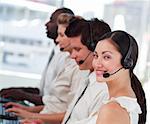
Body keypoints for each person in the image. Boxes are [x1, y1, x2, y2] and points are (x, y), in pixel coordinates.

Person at [15, 17, 111, 124]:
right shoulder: (87, 79)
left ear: (95, 49)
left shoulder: (104, 91)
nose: (73, 56)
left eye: (78, 49)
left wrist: (31, 115)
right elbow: (70, 117)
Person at [4, 13, 89, 123]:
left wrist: (30, 114)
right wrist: (28, 111)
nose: (58, 40)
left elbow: (69, 113)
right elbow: (54, 104)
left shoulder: (80, 69)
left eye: (62, 35)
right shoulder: (65, 59)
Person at [0, 7, 74, 105]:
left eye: (51, 21)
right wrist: (15, 91)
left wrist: (23, 95)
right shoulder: (56, 51)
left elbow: (55, 101)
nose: (46, 24)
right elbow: (41, 91)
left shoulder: (67, 57)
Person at [92, 30, 147, 124]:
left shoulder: (112, 110)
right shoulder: (119, 103)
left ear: (127, 62)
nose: (97, 63)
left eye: (106, 57)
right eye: (96, 56)